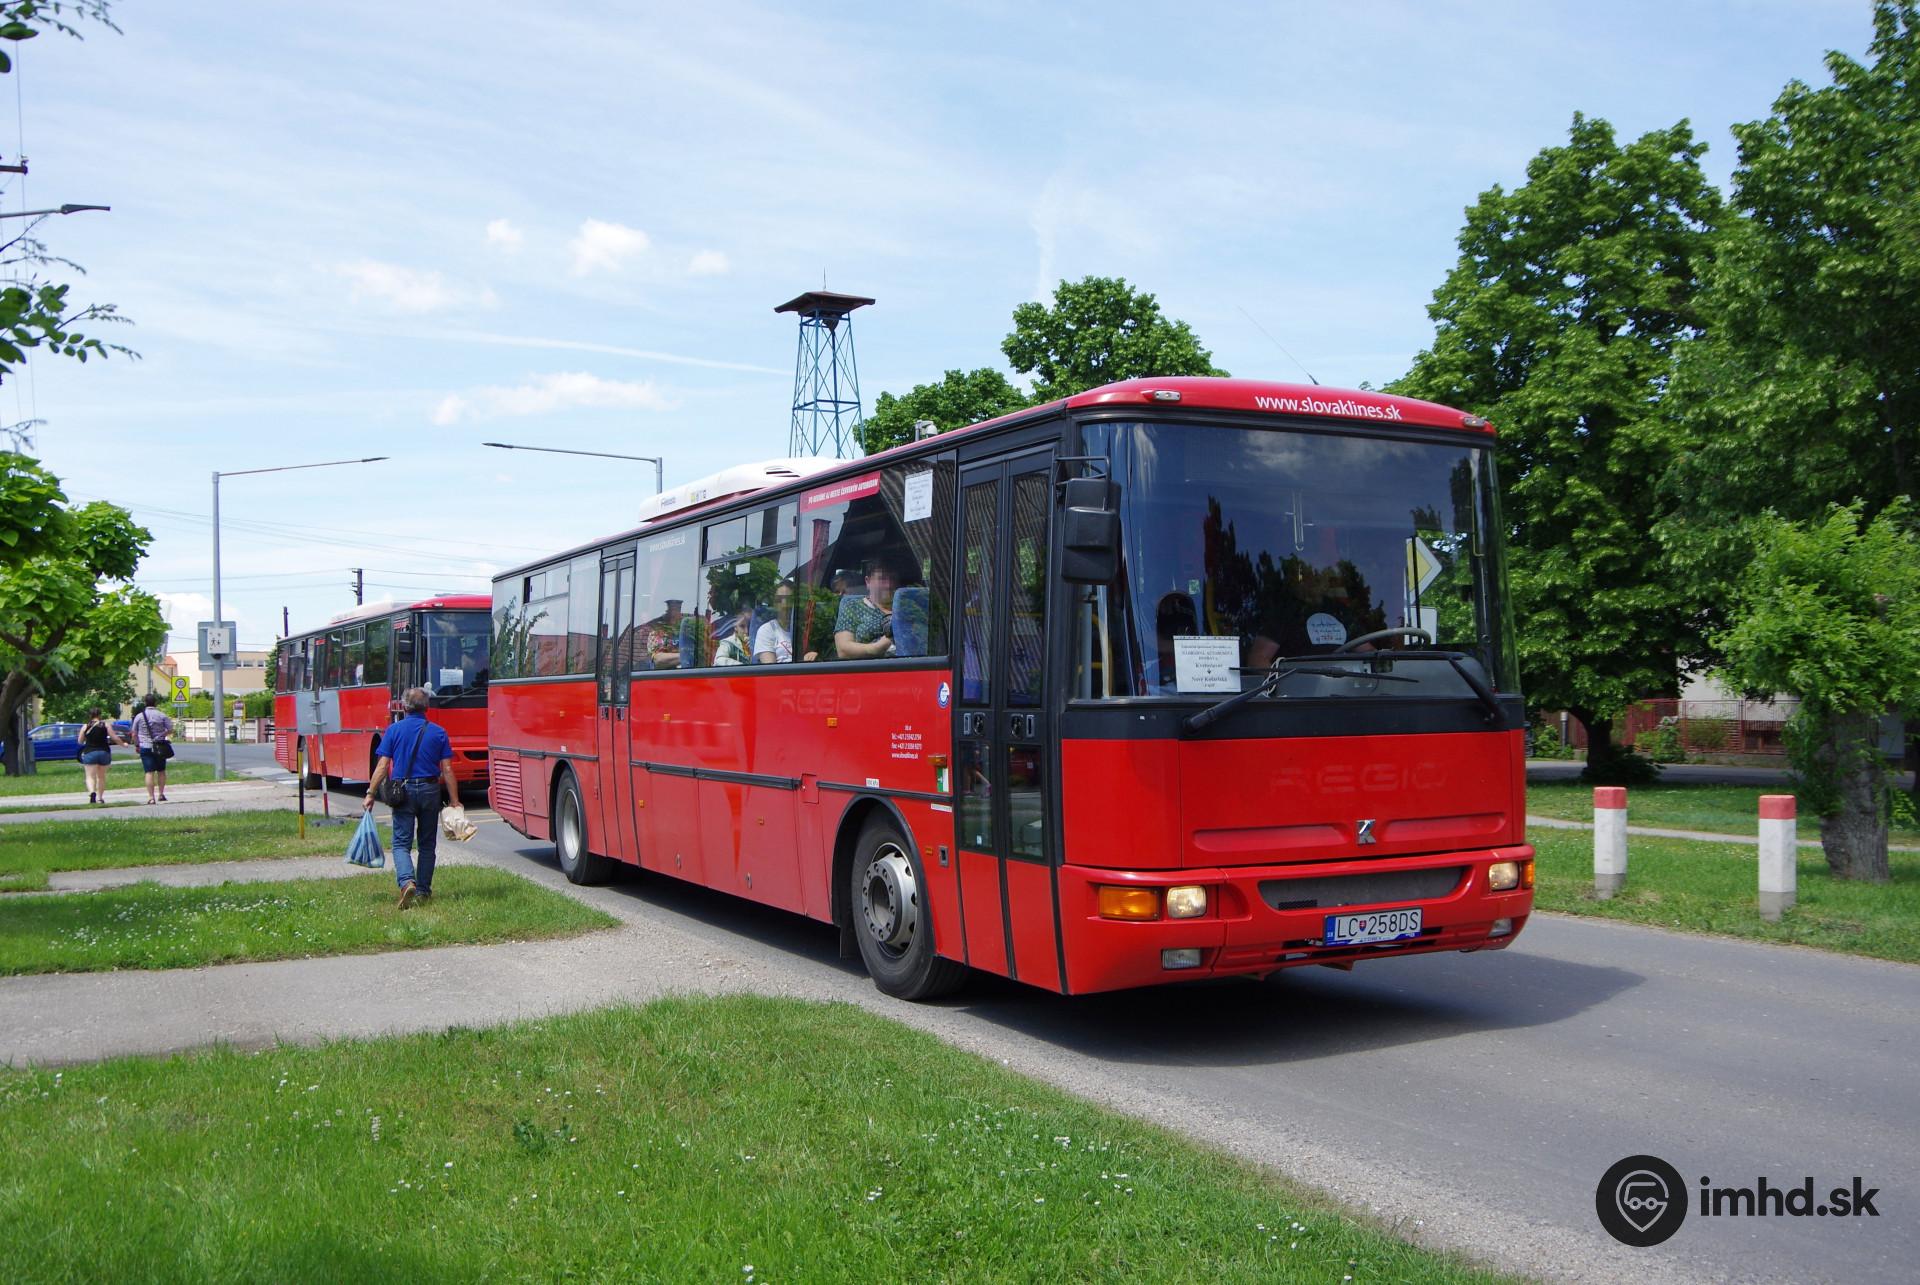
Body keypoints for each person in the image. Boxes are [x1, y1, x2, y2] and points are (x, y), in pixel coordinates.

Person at [362, 686, 458, 909]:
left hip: (403, 792)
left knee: (400, 843)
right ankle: (423, 890)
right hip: (430, 790)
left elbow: (383, 766)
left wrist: (370, 793)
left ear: (405, 707)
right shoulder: (439, 732)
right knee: (427, 844)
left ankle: (407, 882)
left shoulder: (394, 730)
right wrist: (454, 800)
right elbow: (447, 769)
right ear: (427, 708)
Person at [834, 555, 902, 660]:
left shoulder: (908, 607)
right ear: (868, 581)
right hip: (869, 668)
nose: (888, 585)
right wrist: (877, 647)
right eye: (882, 579)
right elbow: (843, 651)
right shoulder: (853, 606)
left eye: (892, 578)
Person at [129, 693, 175, 804]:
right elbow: (170, 729)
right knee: (161, 771)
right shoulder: (161, 715)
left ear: (145, 703)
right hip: (159, 746)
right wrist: (162, 734)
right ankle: (161, 794)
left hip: (145, 746)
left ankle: (151, 797)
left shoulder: (139, 716)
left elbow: (134, 733)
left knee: (149, 772)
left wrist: (137, 745)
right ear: (156, 703)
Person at [77, 708, 126, 805]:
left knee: (90, 776)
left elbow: (80, 741)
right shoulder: (105, 725)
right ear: (100, 715)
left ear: (90, 715)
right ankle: (100, 798)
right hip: (104, 752)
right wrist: (123, 744)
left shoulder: (85, 726)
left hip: (90, 752)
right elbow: (114, 737)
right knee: (101, 777)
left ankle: (92, 792)